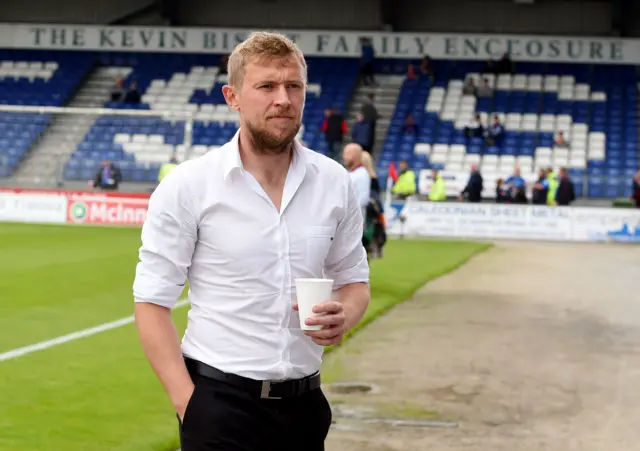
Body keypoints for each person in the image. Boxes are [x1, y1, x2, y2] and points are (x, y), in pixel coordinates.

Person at [132, 31, 371, 451]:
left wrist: (344, 317)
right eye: (266, 86)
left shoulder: (334, 182)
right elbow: (151, 303)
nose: (283, 98)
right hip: (220, 407)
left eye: (293, 86)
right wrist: (189, 403)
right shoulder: (190, 185)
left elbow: (354, 281)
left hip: (305, 407)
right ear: (233, 96)